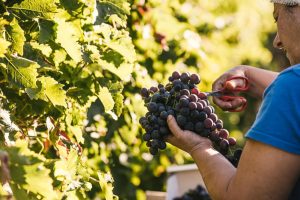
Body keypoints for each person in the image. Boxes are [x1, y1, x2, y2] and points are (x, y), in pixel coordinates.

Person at [166, 1, 300, 199]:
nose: (277, 42)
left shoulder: (291, 88)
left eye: (276, 17)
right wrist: (248, 75)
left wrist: (199, 148)